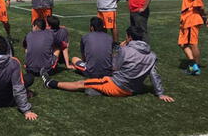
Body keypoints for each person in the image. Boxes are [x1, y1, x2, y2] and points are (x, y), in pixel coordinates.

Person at [41, 26, 174, 103]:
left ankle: (51, 83)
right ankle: (96, 90)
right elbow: (154, 75)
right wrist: (160, 93)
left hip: (118, 86)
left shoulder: (125, 50)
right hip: (136, 87)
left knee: (82, 83)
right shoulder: (152, 55)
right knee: (94, 84)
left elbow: (114, 67)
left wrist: (119, 49)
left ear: (129, 38)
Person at [178, 0, 208, 75]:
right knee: (182, 44)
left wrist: (205, 18)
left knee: (193, 44)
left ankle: (195, 68)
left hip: (192, 18)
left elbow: (199, 5)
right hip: (186, 18)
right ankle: (193, 65)